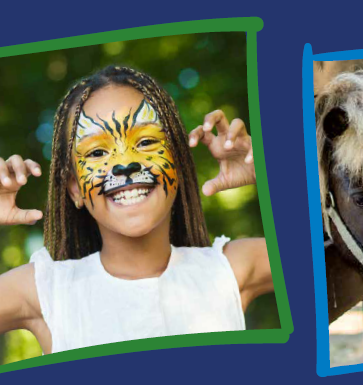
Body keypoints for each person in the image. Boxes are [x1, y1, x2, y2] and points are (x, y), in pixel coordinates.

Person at [0, 66, 273, 353]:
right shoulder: (47, 291)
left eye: (145, 142)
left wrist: (272, 173)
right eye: (96, 152)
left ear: (177, 162)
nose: (125, 163)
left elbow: (321, 250)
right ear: (75, 188)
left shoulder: (229, 270)